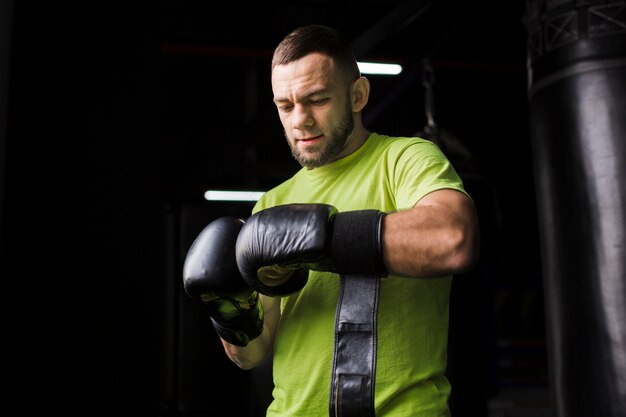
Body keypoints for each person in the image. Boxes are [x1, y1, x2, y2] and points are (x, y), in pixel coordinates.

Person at [183, 24, 480, 417]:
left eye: (317, 99)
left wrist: (318, 240)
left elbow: (453, 239)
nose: (300, 120)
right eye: (285, 106)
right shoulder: (272, 202)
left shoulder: (404, 159)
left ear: (358, 95)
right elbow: (251, 355)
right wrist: (230, 309)